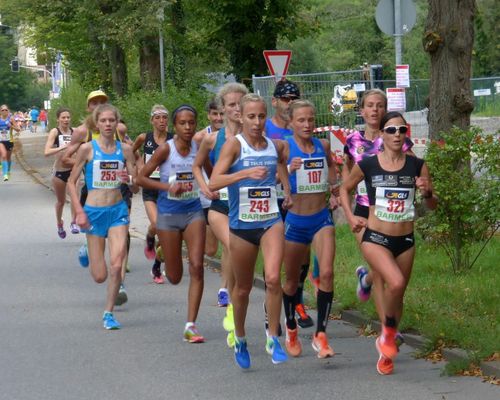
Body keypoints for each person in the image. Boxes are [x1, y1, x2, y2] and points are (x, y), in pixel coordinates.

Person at [340, 111, 437, 375]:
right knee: (394, 282)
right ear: (381, 134)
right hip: (377, 237)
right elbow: (343, 188)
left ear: (407, 134)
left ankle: (387, 345)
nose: (397, 135)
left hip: (405, 239)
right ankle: (388, 334)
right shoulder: (369, 164)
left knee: (399, 293)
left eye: (401, 130)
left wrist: (427, 192)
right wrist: (350, 218)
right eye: (391, 130)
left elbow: (432, 204)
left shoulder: (417, 165)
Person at [209, 94, 292, 369]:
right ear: (241, 117)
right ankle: (241, 336)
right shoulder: (234, 145)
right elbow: (213, 182)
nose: (257, 122)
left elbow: (281, 165)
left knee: (272, 279)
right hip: (242, 226)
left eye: (261, 116)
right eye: (251, 117)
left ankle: (273, 337)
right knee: (243, 289)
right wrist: (243, 175)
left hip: (270, 221)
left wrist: (288, 190)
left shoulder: (274, 145)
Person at [341, 90, 414, 345]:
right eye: (370, 106)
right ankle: (388, 329)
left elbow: (412, 166)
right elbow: (347, 172)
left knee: (386, 273)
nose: (375, 110)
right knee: (383, 271)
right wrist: (346, 210)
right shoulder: (352, 140)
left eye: (380, 106)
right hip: (365, 211)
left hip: (392, 215)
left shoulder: (396, 135)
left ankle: (366, 280)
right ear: (361, 110)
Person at [137, 104, 207, 343]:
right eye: (182, 123)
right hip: (167, 215)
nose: (188, 127)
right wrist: (168, 187)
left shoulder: (200, 148)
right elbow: (141, 178)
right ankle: (160, 253)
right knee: (175, 277)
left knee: (197, 266)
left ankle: (191, 325)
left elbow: (212, 172)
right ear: (175, 126)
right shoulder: (165, 150)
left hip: (193, 212)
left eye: (191, 123)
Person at [67, 104, 138, 330]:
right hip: (93, 212)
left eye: (112, 120)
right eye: (104, 121)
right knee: (99, 276)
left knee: (117, 266)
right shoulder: (87, 149)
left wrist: (130, 180)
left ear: (117, 123)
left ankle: (108, 313)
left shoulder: (125, 150)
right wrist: (78, 210)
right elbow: (71, 182)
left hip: (118, 211)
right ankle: (87, 250)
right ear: (97, 124)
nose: (108, 124)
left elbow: (136, 186)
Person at [281, 100, 338, 359]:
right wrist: (286, 176)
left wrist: (334, 190)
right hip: (295, 221)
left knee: (326, 273)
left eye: (311, 120)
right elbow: (270, 173)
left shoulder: (322, 145)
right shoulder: (284, 146)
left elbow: (332, 166)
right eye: (301, 120)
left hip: (321, 219)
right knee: (291, 281)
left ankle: (321, 335)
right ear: (291, 122)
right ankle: (291, 326)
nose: (307, 125)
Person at [193, 83, 248, 320]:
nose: (237, 109)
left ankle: (232, 293)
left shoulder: (256, 137)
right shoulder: (212, 139)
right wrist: (206, 188)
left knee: (238, 252)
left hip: (247, 204)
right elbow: (198, 166)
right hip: (221, 205)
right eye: (232, 104)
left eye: (240, 104)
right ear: (222, 109)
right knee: (232, 246)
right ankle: (228, 292)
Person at [265, 79, 315, 329]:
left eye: (294, 98)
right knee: (276, 257)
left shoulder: (303, 127)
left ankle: (297, 300)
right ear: (274, 101)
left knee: (303, 255)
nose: (290, 103)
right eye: (285, 99)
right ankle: (270, 311)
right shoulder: (264, 129)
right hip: (271, 200)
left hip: (301, 201)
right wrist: (284, 174)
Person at [132, 104, 172, 283]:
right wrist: (139, 167)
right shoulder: (144, 138)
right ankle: (150, 237)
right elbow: (131, 152)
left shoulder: (174, 139)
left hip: (167, 190)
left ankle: (156, 267)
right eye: (158, 117)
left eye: (164, 117)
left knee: (165, 230)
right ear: (152, 120)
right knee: (157, 224)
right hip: (150, 189)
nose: (161, 121)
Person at [193, 98, 224, 263]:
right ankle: (183, 241)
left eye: (221, 113)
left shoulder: (234, 136)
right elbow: (192, 165)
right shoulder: (200, 138)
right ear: (208, 116)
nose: (218, 118)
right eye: (214, 114)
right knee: (210, 248)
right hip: (204, 196)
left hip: (225, 195)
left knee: (212, 250)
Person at [44, 107, 79, 237]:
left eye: (68, 117)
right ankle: (59, 223)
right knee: (61, 201)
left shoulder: (75, 132)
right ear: (58, 119)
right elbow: (46, 152)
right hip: (59, 171)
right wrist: (62, 147)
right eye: (63, 117)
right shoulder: (55, 132)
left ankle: (74, 222)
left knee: (75, 197)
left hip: (73, 170)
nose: (66, 120)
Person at [0, 105, 20, 181]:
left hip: (9, 141)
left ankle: (8, 171)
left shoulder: (11, 119)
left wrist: (11, 126)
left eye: (6, 110)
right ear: (0, 111)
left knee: (8, 158)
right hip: (1, 141)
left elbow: (18, 129)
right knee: (4, 155)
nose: (4, 111)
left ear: (8, 111)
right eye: (3, 110)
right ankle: (5, 175)